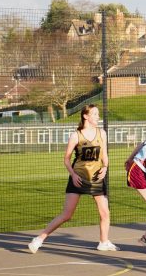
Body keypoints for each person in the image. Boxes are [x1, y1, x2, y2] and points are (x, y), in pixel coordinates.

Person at [28, 104, 117, 253]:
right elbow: (67, 159)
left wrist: (105, 167)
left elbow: (104, 155)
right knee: (67, 215)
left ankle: (104, 242)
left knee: (105, 213)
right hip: (79, 177)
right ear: (85, 116)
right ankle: (39, 239)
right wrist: (73, 175)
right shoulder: (76, 135)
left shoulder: (102, 133)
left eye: (98, 114)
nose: (97, 116)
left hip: (96, 178)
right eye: (94, 114)